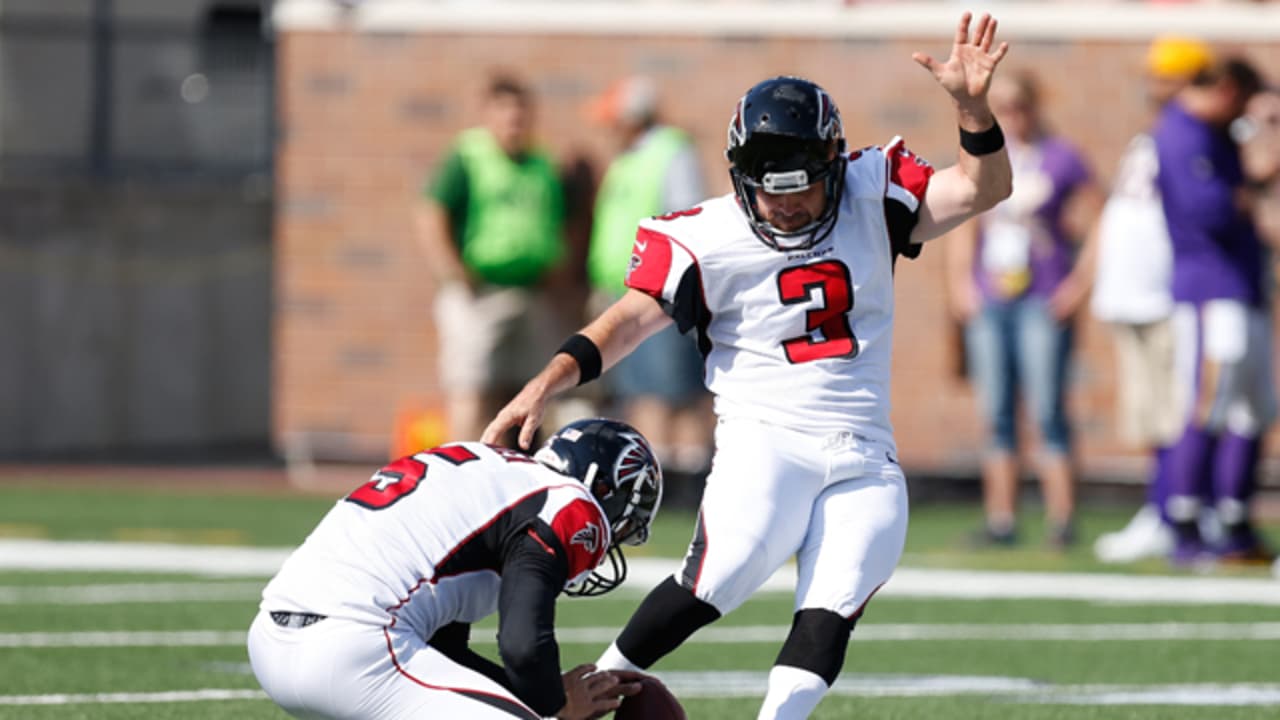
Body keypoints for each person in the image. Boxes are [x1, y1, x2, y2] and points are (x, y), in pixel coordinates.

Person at [484, 12, 1012, 719]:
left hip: (866, 453)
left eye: (805, 190)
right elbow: (625, 322)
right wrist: (544, 382)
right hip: (767, 441)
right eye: (774, 192)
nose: (790, 210)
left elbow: (984, 188)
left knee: (833, 607)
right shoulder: (707, 236)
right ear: (741, 179)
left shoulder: (873, 192)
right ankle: (586, 694)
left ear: (834, 166)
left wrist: (972, 110)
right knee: (718, 577)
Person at [247, 417, 663, 720]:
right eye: (624, 525)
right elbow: (522, 646)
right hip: (359, 650)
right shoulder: (571, 504)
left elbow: (444, 650)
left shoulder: (489, 472)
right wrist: (556, 704)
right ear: (606, 489)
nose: (612, 540)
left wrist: (536, 696)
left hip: (270, 644)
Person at [945, 70, 1102, 549]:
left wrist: (1078, 287)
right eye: (1004, 106)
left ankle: (1061, 519)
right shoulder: (986, 154)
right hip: (992, 296)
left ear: (1035, 107)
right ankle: (1002, 519)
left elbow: (1101, 220)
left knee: (1048, 407)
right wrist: (959, 284)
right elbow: (963, 219)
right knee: (996, 411)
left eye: (1019, 106)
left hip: (1041, 295)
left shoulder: (1062, 156)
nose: (1012, 116)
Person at [1090, 37, 1216, 564]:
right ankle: (1161, 507)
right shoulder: (1155, 135)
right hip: (1131, 293)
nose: (1154, 86)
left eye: (1166, 76)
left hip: (1169, 292)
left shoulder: (1197, 136)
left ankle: (1180, 511)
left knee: (1179, 412)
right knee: (1149, 416)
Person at [1154, 57, 1276, 565]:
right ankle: (1185, 520)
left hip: (1241, 283)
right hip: (1211, 286)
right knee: (1210, 401)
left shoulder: (1216, 134)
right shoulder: (1182, 131)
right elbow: (1209, 209)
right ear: (1225, 90)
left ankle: (1233, 519)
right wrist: (1246, 192)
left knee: (1253, 407)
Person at [416, 74, 567, 441]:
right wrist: (452, 270)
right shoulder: (469, 157)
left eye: (520, 112)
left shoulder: (541, 162)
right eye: (505, 111)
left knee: (530, 392)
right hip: (480, 292)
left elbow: (560, 220)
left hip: (531, 293)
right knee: (472, 385)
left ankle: (518, 474)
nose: (514, 121)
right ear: (487, 114)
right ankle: (462, 469)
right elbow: (431, 213)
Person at [585, 75, 714, 484]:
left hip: (660, 293)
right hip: (628, 293)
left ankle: (681, 482)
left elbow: (686, 219)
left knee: (671, 393)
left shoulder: (670, 153)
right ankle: (662, 476)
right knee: (645, 392)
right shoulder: (634, 157)